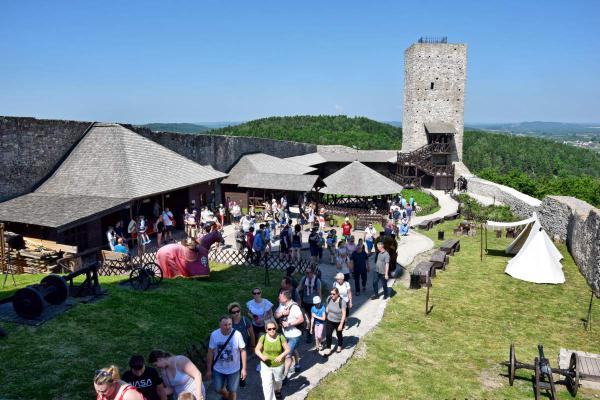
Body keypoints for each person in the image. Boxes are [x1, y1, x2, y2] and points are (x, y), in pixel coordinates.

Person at [206, 316, 247, 400]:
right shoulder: (214, 335)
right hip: (218, 369)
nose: (228, 327)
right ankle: (226, 396)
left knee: (232, 390)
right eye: (225, 325)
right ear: (220, 325)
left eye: (230, 324)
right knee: (218, 388)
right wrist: (209, 369)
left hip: (234, 369)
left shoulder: (237, 334)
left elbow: (243, 351)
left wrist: (244, 369)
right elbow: (210, 352)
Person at [255, 320, 290, 400]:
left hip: (278, 365)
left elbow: (287, 349)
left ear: (276, 328)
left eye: (273, 328)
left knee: (278, 382)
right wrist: (261, 356)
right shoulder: (263, 337)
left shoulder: (280, 337)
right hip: (265, 364)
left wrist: (281, 356)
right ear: (266, 330)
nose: (272, 330)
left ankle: (277, 390)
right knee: (267, 384)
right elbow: (257, 349)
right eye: (269, 329)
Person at [274, 290, 304, 379]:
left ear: (285, 298)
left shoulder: (294, 307)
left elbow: (301, 319)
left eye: (280, 296)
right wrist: (282, 313)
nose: (278, 298)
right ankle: (297, 364)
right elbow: (276, 315)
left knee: (287, 355)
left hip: (294, 335)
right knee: (292, 349)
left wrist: (289, 324)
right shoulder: (282, 305)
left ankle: (285, 375)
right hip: (285, 334)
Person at [298, 267, 322, 342]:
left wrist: (319, 303)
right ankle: (310, 332)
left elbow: (319, 292)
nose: (307, 274)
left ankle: (310, 335)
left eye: (308, 273)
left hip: (313, 303)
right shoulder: (304, 279)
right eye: (306, 272)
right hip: (305, 302)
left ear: (312, 273)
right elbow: (299, 287)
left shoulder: (317, 281)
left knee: (312, 319)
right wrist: (294, 292)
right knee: (308, 320)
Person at [323, 287, 346, 356]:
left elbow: (344, 314)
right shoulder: (329, 298)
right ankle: (328, 348)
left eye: (333, 294)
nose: (332, 295)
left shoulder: (342, 302)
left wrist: (341, 324)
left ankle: (339, 345)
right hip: (330, 320)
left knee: (339, 334)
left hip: (339, 321)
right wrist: (326, 311)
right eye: (331, 294)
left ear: (338, 294)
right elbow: (327, 306)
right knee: (328, 334)